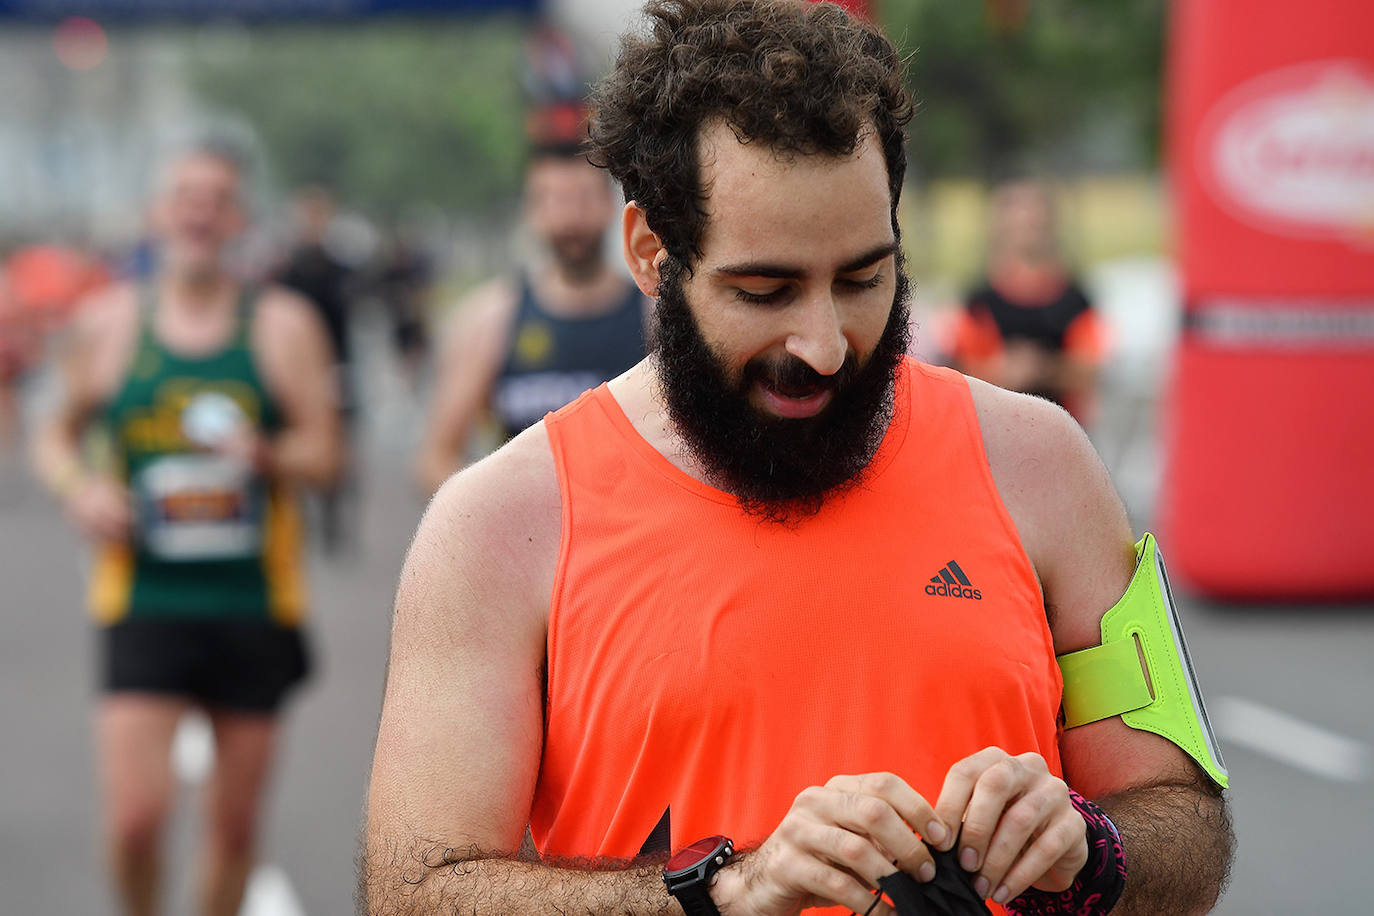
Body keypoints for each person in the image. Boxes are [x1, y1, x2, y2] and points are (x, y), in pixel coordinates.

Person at [362, 2, 1233, 915]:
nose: (822, 344)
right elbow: (415, 891)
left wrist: (1093, 846)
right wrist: (726, 892)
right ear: (652, 254)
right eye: (765, 288)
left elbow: (1190, 826)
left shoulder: (1043, 463)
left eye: (863, 278)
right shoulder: (500, 525)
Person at [32, 141, 340, 916]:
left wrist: (268, 454)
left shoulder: (281, 325)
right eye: (183, 196)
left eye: (215, 198)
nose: (198, 211)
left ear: (237, 218)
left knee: (233, 830)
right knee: (136, 821)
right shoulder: (105, 325)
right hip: (143, 595)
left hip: (252, 602)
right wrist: (79, 488)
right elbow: (53, 432)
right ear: (157, 213)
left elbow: (327, 454)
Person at [413, 132, 648, 495]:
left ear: (610, 205)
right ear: (531, 212)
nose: (570, 217)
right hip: (534, 539)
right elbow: (436, 461)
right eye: (553, 200)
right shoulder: (490, 320)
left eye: (584, 198)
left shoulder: (654, 315)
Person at [947, 179, 1106, 425]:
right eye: (1019, 223)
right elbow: (961, 372)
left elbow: (1090, 368)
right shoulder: (979, 302)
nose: (1027, 231)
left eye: (1033, 222)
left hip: (1064, 430)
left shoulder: (1074, 300)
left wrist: (1041, 368)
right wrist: (1003, 371)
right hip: (997, 430)